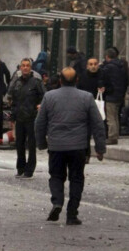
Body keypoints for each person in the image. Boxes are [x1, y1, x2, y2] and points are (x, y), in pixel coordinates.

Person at [35, 67, 106, 225]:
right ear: (77, 80)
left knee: (56, 176)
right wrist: (100, 149)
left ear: (60, 80)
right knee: (76, 179)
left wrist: (41, 143)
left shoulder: (49, 97)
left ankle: (57, 201)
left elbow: (39, 123)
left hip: (56, 146)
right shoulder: (87, 97)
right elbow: (98, 124)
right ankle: (72, 214)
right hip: (78, 146)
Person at [5, 57, 45, 177]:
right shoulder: (16, 81)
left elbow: (44, 96)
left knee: (31, 145)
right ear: (20, 67)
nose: (25, 67)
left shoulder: (36, 82)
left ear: (31, 67)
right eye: (23, 65)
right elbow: (11, 97)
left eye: (28, 65)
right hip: (19, 117)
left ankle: (29, 169)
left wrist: (40, 105)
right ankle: (20, 168)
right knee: (19, 144)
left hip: (32, 117)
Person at [101, 47, 128, 145]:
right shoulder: (122, 66)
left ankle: (112, 136)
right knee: (116, 115)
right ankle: (116, 134)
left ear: (107, 56)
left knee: (110, 117)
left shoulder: (108, 67)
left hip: (111, 94)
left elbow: (104, 78)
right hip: (120, 94)